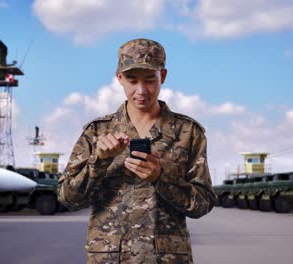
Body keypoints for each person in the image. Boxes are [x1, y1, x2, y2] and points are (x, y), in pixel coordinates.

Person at [58, 38, 216, 264]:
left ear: (163, 76)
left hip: (166, 258)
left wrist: (161, 178)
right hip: (110, 257)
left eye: (150, 79)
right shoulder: (97, 132)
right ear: (119, 78)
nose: (141, 90)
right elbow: (68, 198)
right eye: (132, 80)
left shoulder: (188, 132)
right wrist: (99, 161)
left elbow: (202, 204)